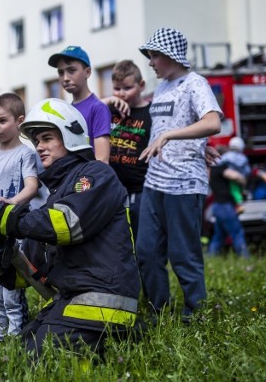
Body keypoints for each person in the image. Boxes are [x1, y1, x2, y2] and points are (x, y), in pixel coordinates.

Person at [0, 98, 140, 358]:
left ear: (70, 136)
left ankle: (106, 356)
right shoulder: (56, 197)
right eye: (37, 140)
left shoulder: (95, 175)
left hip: (102, 301)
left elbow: (67, 224)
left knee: (40, 359)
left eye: (47, 138)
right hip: (74, 299)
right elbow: (28, 271)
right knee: (23, 349)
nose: (39, 146)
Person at [137, 27, 222, 321]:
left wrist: (174, 137)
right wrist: (199, 144)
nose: (150, 62)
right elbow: (175, 127)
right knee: (146, 253)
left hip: (184, 184)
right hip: (154, 182)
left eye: (153, 56)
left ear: (168, 56)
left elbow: (212, 122)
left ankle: (195, 317)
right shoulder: (161, 89)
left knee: (183, 256)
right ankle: (158, 312)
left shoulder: (195, 83)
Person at [0, 92, 39, 342]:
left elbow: (32, 186)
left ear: (19, 121)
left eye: (1, 121)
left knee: (11, 291)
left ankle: (16, 338)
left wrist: (11, 203)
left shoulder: (25, 154)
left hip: (14, 234)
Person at [102, 60, 151, 242]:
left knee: (140, 241)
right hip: (113, 189)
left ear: (141, 85)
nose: (121, 94)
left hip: (140, 190)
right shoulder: (108, 110)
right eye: (116, 89)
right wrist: (108, 101)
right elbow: (83, 113)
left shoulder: (151, 112)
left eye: (127, 88)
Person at [48, 45, 112, 163]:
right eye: (61, 73)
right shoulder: (67, 111)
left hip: (88, 179)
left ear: (87, 72)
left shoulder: (98, 108)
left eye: (71, 70)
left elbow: (102, 161)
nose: (65, 78)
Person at [207, 157, 250, 257]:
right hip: (225, 207)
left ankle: (210, 258)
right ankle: (245, 258)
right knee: (237, 233)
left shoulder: (212, 171)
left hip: (217, 206)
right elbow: (235, 176)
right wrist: (243, 181)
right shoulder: (220, 169)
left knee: (218, 236)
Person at [220, 136, 250, 214]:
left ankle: (239, 205)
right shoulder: (243, 157)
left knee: (234, 191)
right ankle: (242, 197)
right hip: (242, 178)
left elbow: (220, 162)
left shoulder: (228, 156)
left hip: (232, 178)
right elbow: (247, 170)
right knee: (240, 190)